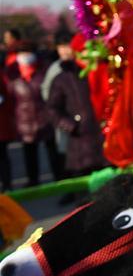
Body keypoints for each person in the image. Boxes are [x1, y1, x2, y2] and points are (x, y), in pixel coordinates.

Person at [45, 35, 106, 177]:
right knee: (86, 194)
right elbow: (52, 108)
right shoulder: (63, 78)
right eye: (84, 50)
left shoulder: (105, 71)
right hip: (81, 144)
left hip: (109, 143)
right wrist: (72, 125)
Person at [10, 52, 64, 187]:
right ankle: (32, 181)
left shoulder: (42, 78)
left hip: (45, 120)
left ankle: (59, 179)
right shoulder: (15, 82)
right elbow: (11, 102)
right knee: (29, 155)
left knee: (53, 154)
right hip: (25, 123)